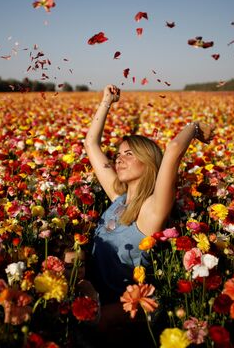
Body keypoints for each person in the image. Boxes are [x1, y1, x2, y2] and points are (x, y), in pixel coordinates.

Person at [83, 84, 213, 340]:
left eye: (129, 154)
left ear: (149, 161)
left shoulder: (151, 210)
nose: (119, 159)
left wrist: (196, 127)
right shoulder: (117, 198)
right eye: (118, 154)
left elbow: (174, 149)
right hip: (93, 300)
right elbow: (91, 144)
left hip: (124, 310)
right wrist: (106, 101)